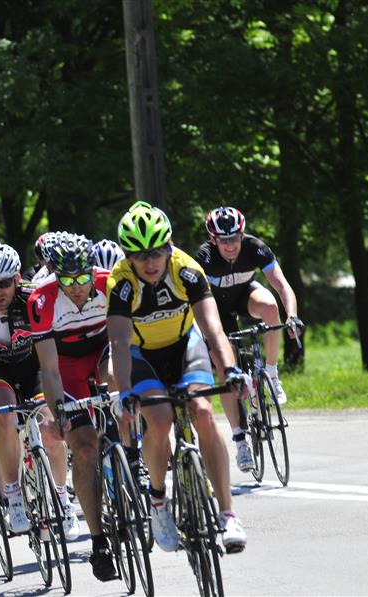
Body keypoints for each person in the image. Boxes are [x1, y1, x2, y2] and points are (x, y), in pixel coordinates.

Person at [106, 201, 248, 554]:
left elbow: (213, 329)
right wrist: (125, 392)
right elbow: (119, 343)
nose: (150, 262)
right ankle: (158, 501)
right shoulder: (120, 283)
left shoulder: (186, 270)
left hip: (185, 346)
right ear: (128, 257)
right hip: (142, 357)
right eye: (140, 256)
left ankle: (228, 514)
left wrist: (231, 370)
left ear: (169, 246)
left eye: (157, 252)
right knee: (159, 418)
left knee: (203, 412)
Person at [0, 243, 68, 534]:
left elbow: (51, 353)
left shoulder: (33, 298)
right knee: (4, 417)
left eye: (5, 283)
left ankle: (61, 495)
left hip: (33, 367)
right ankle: (13, 493)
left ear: (17, 278)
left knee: (50, 429)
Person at [28, 233, 118, 580]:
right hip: (66, 369)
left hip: (104, 353)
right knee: (83, 448)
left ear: (92, 271)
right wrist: (60, 412)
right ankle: (99, 540)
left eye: (83, 278)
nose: (77, 287)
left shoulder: (109, 283)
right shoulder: (42, 300)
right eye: (67, 281)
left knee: (119, 380)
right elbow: (49, 370)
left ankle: (131, 453)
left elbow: (124, 341)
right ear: (55, 276)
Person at [195, 206, 305, 472]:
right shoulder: (204, 258)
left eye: (235, 238)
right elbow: (195, 301)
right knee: (225, 366)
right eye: (224, 240)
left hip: (245, 296)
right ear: (213, 239)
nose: (231, 245)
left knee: (270, 308)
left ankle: (271, 373)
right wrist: (207, 336)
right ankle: (240, 440)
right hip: (216, 309)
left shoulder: (255, 247)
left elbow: (282, 285)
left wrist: (292, 316)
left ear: (242, 234)